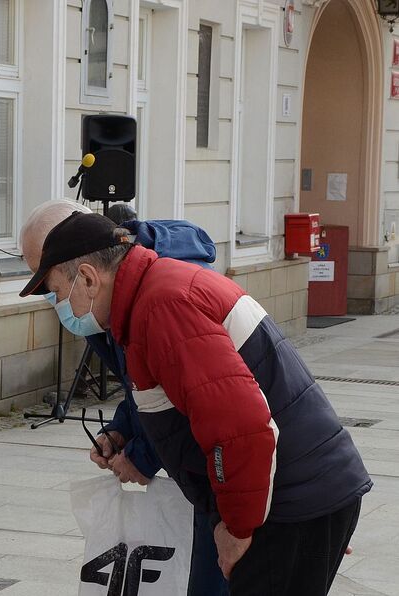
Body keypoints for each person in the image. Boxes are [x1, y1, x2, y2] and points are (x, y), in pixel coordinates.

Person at [20, 211, 372, 595]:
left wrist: (237, 530)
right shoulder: (148, 298)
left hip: (285, 503)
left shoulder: (162, 305)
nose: (60, 307)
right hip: (292, 499)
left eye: (58, 293)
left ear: (89, 277)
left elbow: (241, 428)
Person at [21, 200, 226, 595]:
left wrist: (143, 458)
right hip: (225, 475)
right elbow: (142, 386)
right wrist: (119, 432)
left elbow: (193, 403)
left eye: (50, 284)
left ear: (81, 265)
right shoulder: (104, 296)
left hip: (236, 475)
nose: (52, 297)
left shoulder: (161, 298)